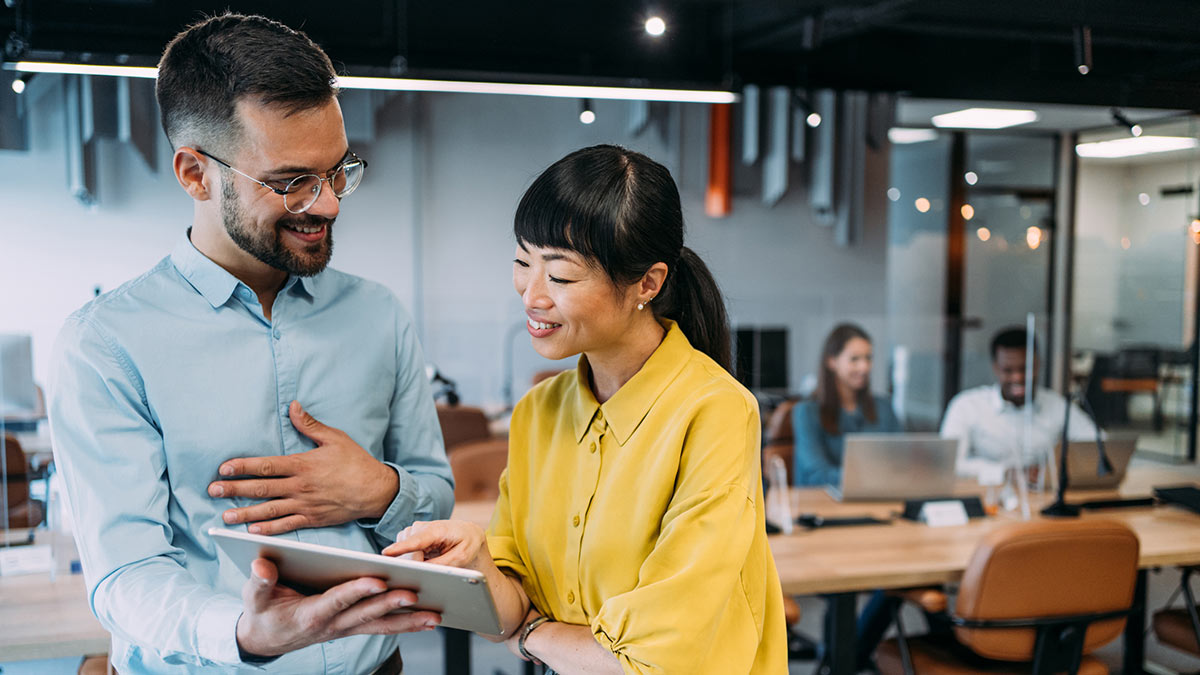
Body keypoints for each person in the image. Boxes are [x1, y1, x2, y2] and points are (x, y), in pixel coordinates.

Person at [47, 14, 453, 673]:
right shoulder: (107, 344)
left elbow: (434, 495)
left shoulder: (378, 314)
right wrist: (243, 631)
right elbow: (126, 573)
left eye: (339, 171)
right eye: (292, 181)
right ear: (194, 174)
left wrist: (379, 491)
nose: (328, 206)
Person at [385, 145, 787, 673]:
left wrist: (533, 634)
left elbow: (650, 660)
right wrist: (476, 558)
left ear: (648, 282)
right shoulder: (537, 412)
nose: (531, 295)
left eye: (561, 276)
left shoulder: (716, 411)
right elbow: (507, 614)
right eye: (522, 262)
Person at [941, 327, 1099, 479]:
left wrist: (1058, 468)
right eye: (1008, 370)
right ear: (995, 368)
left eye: (1025, 369)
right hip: (987, 497)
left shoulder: (1057, 405)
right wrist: (1006, 473)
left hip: (1041, 497)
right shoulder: (967, 405)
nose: (1017, 378)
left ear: (1038, 364)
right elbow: (949, 464)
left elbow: (1099, 446)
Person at [792, 323, 900, 487]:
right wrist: (869, 480)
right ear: (832, 361)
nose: (864, 367)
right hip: (825, 507)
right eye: (854, 359)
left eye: (868, 358)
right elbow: (816, 474)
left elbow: (900, 462)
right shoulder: (807, 412)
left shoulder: (884, 408)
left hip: (880, 504)